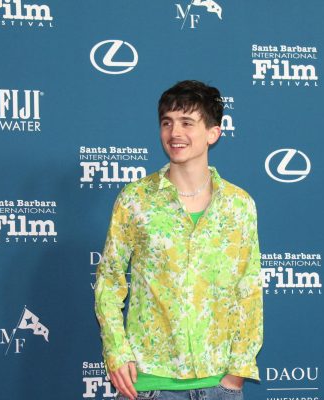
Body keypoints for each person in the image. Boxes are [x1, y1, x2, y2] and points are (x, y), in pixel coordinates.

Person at [94, 80, 262, 400]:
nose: (175, 133)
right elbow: (110, 279)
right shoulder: (136, 199)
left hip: (219, 387)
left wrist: (236, 375)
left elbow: (248, 289)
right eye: (167, 123)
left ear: (214, 132)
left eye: (187, 123)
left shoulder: (240, 205)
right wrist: (116, 351)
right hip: (150, 386)